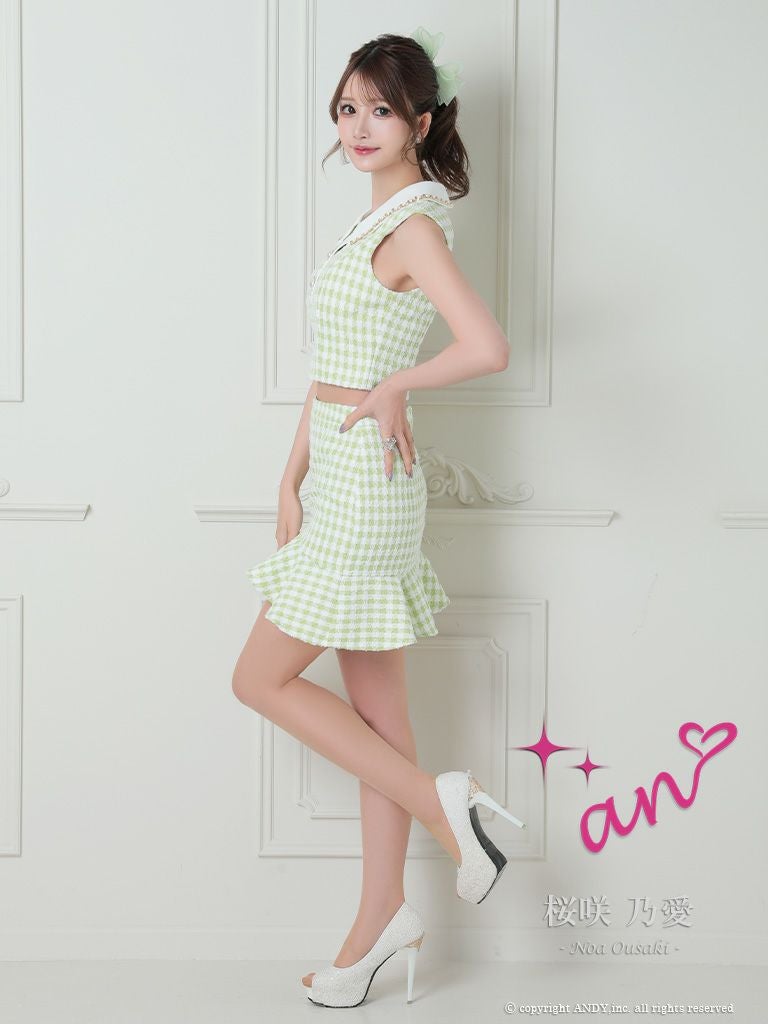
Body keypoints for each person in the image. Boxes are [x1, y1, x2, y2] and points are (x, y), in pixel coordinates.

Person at [232, 28, 524, 1008]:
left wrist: (399, 385)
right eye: (349, 108)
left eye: (383, 110)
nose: (360, 127)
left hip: (368, 487)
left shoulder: (414, 228)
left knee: (258, 677)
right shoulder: (377, 224)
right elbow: (335, 372)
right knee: (380, 717)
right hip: (345, 473)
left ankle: (445, 809)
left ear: (422, 122)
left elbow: (486, 346)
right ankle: (377, 926)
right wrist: (290, 474)